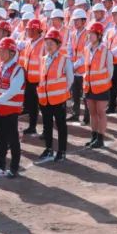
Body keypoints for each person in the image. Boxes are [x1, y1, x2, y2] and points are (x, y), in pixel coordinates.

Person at [0, 37, 24, 178]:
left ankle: (14, 167)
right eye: (0, 50)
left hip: (10, 110)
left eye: (3, 51)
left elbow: (13, 90)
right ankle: (0, 163)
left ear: (12, 52)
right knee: (0, 137)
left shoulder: (18, 70)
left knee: (13, 140)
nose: (0, 53)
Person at [36, 28, 71, 161]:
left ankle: (61, 151)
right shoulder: (43, 59)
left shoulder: (64, 60)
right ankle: (49, 149)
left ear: (58, 44)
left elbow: (70, 79)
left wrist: (62, 92)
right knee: (47, 125)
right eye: (47, 43)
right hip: (45, 99)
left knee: (61, 126)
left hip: (59, 99)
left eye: (51, 43)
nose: (48, 46)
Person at [82, 22, 114, 149]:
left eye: (92, 34)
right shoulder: (86, 49)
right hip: (89, 87)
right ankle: (94, 136)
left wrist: (103, 82)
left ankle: (100, 139)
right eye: (89, 34)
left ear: (99, 35)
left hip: (101, 87)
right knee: (92, 113)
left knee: (101, 112)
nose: (90, 36)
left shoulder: (106, 51)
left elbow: (110, 70)